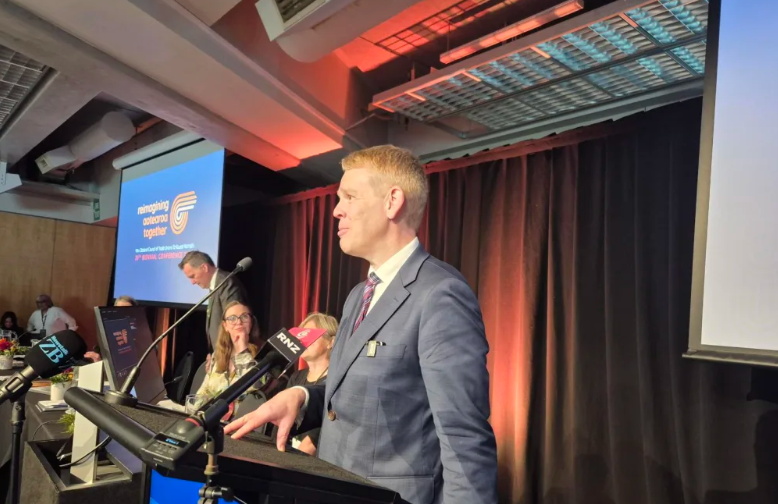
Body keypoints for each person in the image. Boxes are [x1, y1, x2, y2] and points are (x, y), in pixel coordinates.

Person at [226, 145, 498, 504]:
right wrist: (302, 397)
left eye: (350, 197)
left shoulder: (440, 294)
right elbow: (357, 393)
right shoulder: (359, 295)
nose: (336, 210)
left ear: (392, 202)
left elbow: (464, 439)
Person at [279, 312, 338, 456]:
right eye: (301, 334)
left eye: (311, 334)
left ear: (331, 342)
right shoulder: (296, 377)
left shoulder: (337, 379)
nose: (303, 340)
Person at [192, 300, 262, 414]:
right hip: (213, 418)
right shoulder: (217, 355)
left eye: (244, 316)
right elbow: (204, 393)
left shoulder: (262, 354)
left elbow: (255, 387)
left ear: (252, 322)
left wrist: (242, 350)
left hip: (243, 420)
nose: (238, 322)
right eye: (232, 318)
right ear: (225, 326)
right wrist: (193, 415)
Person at [178, 251, 248, 350]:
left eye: (192, 276)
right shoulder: (216, 284)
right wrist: (212, 353)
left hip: (229, 353)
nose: (192, 282)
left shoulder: (226, 283)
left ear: (204, 268)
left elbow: (236, 326)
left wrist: (224, 355)